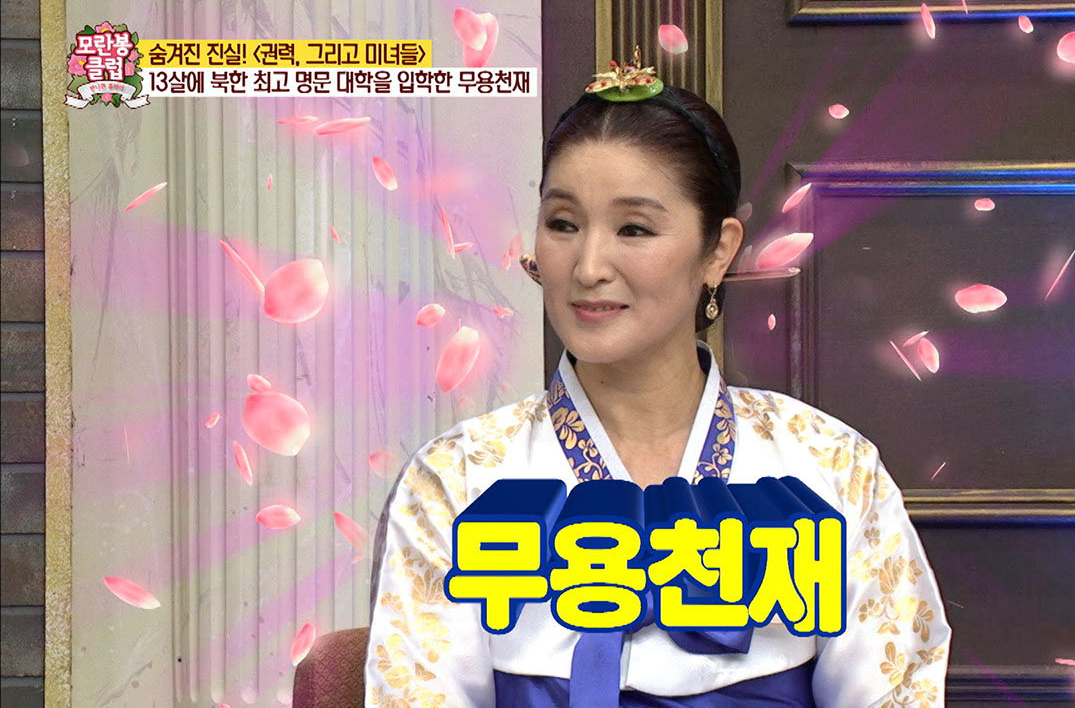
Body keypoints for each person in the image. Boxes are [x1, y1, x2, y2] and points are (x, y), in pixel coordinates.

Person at [365, 45, 951, 707]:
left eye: (635, 229)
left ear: (717, 250)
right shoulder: (456, 480)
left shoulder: (832, 467)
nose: (588, 266)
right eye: (563, 224)